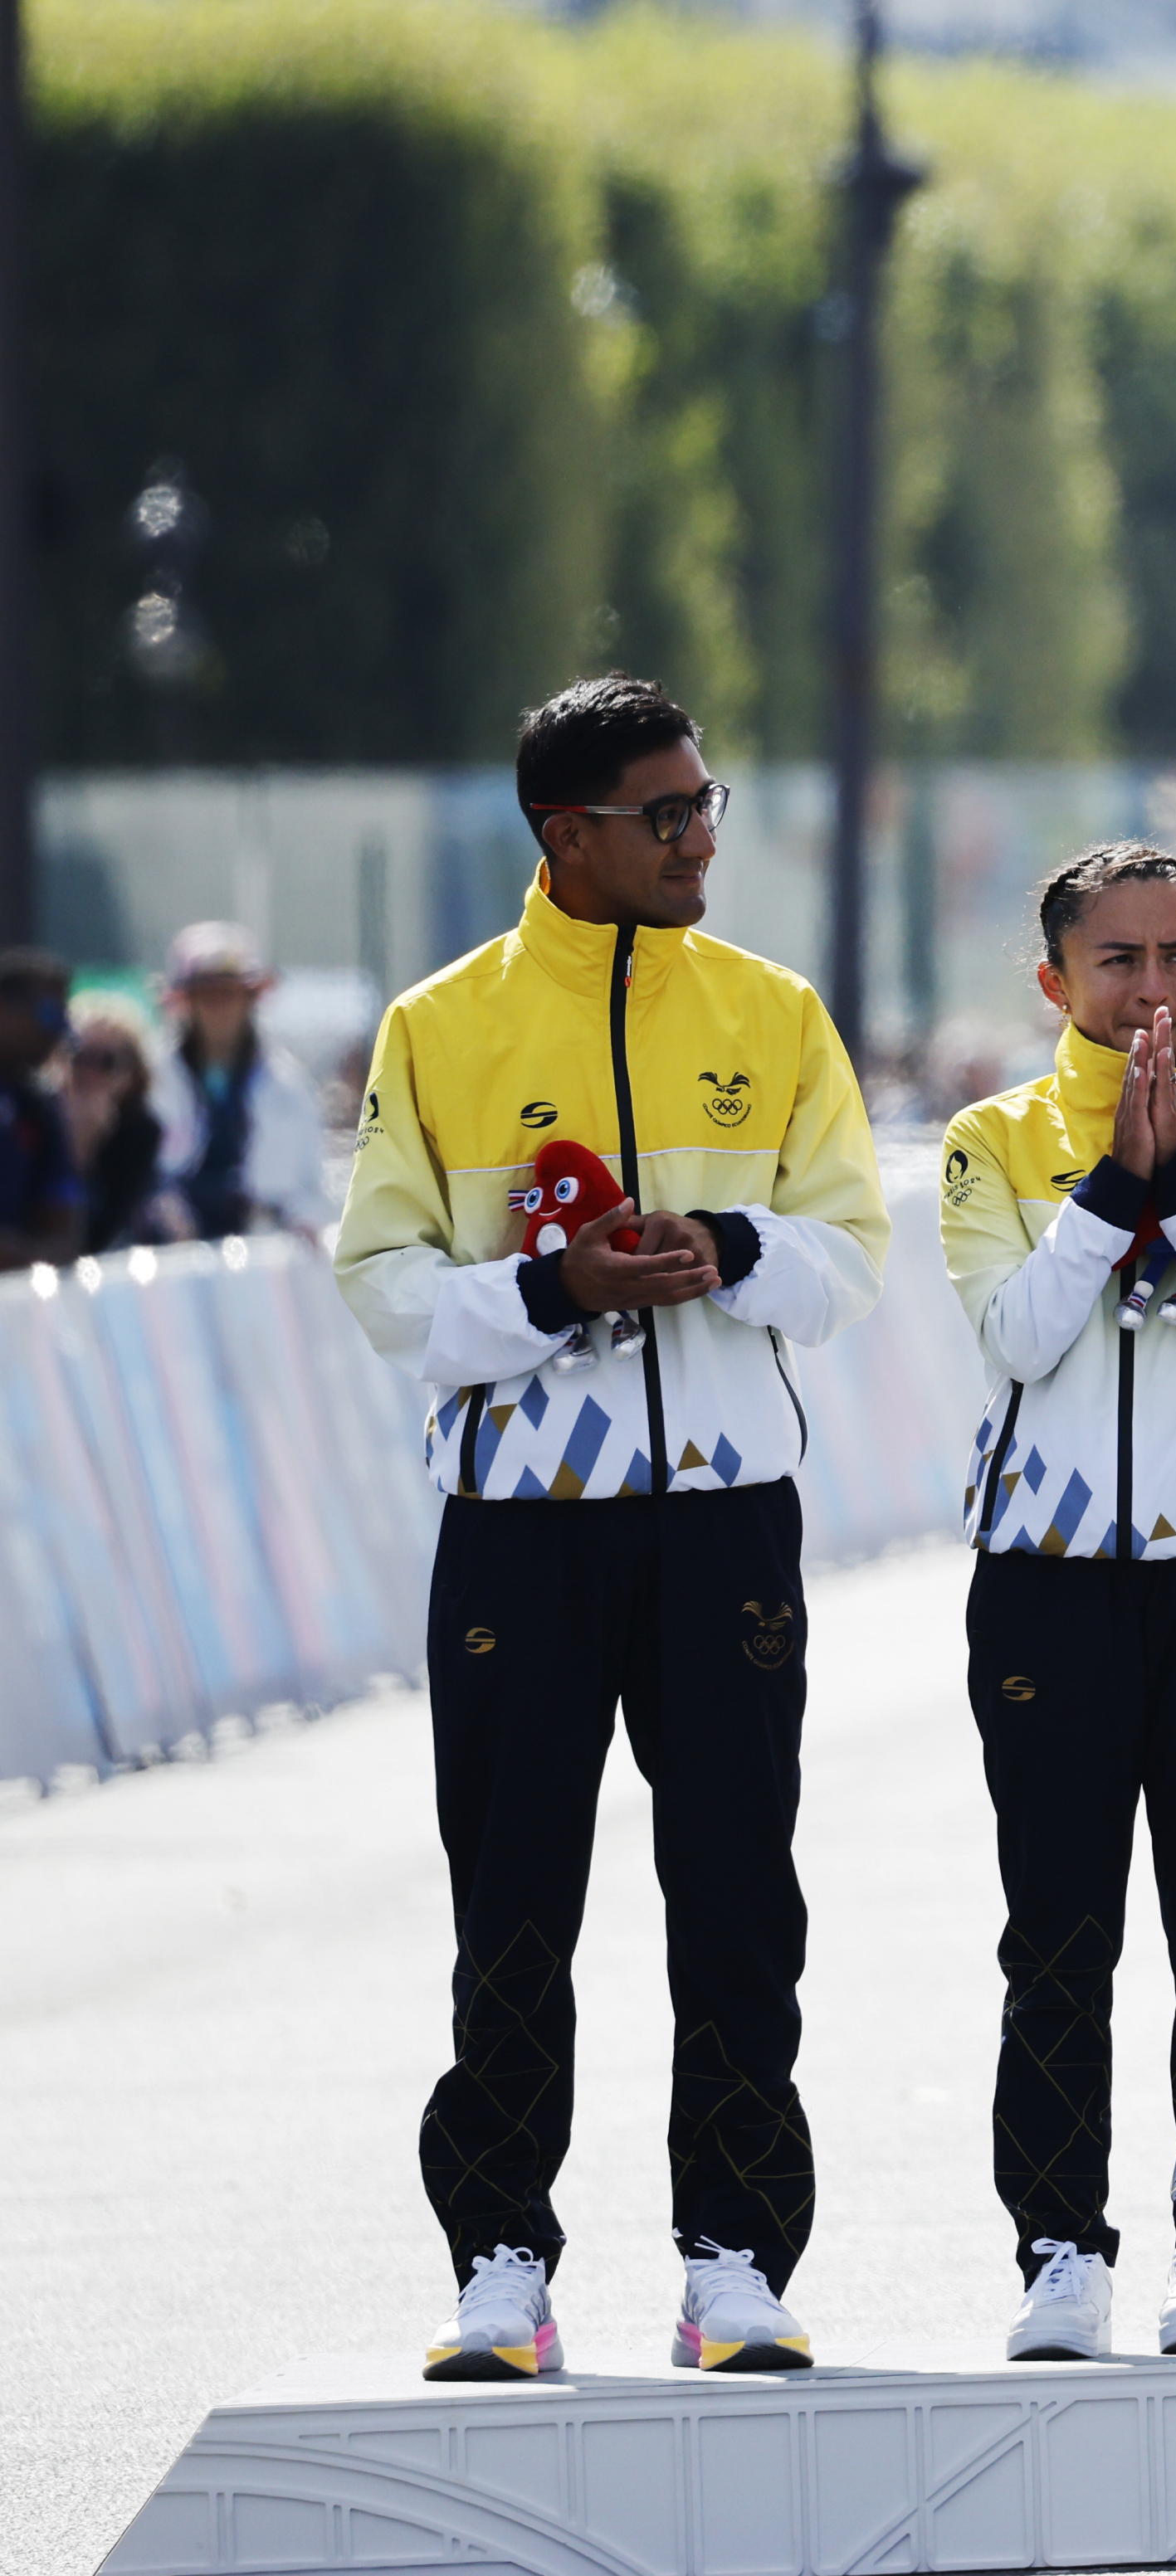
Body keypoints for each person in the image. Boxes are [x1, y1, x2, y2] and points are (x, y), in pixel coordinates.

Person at [333, 674, 889, 2382]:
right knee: (510, 1901)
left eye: (708, 802)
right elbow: (381, 1283)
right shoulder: (443, 1022)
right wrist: (551, 1287)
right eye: (668, 814)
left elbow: (852, 1253)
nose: (701, 836)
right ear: (566, 833)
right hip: (523, 1530)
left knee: (738, 1893)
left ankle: (734, 2257)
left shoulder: (777, 1009)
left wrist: (727, 1247)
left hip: (725, 1525)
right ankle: (501, 2257)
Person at [940, 843, 1176, 2363]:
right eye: (1118, 960)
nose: (1152, 989)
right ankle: (1056, 2248)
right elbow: (1021, 1337)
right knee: (1055, 1937)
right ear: (1055, 982)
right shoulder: (990, 1139)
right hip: (1043, 1580)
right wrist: (1114, 1182)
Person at [154, 918, 336, 1239]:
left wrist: (297, 1220)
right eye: (207, 996)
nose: (219, 1008)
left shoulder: (289, 1087)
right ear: (186, 1003)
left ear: (251, 999)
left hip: (260, 1254)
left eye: (229, 994)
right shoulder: (153, 1079)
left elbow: (310, 1188)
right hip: (171, 1253)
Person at [63, 991, 173, 1253]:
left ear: (132, 1074)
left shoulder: (141, 1132)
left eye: (106, 1062)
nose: (90, 1073)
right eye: (80, 1057)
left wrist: (84, 1149)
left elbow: (99, 1234)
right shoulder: (35, 1115)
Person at [0, 948, 82, 1267]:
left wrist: (17, 1253)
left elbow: (65, 1238)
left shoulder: (37, 1106)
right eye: (48, 1014)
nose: (57, 1032)